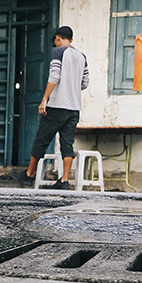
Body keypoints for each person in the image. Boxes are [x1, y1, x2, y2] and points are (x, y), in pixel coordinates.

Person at [20, 25, 90, 190]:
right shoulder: (82, 56)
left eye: (56, 40)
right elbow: (85, 83)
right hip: (74, 108)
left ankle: (28, 175)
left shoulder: (58, 52)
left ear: (58, 38)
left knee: (41, 139)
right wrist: (71, 88)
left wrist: (44, 99)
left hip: (58, 105)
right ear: (71, 39)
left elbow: (54, 76)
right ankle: (64, 181)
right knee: (67, 143)